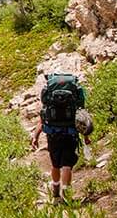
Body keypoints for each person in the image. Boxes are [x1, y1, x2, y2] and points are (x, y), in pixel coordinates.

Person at [31, 72, 89, 201]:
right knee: (67, 164)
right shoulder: (74, 95)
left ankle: (56, 193)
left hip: (53, 134)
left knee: (55, 164)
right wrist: (86, 136)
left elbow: (42, 120)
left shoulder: (50, 101)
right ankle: (66, 196)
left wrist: (35, 137)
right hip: (71, 133)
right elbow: (83, 117)